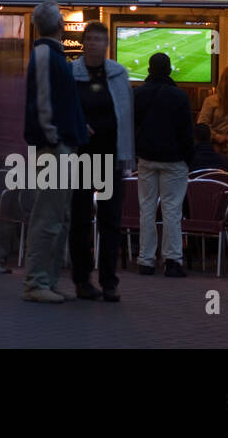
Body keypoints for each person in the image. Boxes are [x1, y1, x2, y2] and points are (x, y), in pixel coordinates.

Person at [21, 1, 89, 303]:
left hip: (60, 144)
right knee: (48, 217)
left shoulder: (49, 54)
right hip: (55, 147)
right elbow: (44, 101)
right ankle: (37, 282)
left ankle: (46, 280)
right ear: (60, 24)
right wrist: (53, 137)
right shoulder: (48, 54)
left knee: (58, 217)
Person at [68, 20, 133, 302]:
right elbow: (64, 108)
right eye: (90, 38)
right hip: (80, 157)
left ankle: (109, 281)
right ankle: (82, 280)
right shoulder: (70, 73)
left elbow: (125, 114)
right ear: (83, 42)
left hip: (110, 157)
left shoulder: (119, 75)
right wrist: (79, 125)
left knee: (110, 221)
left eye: (98, 39)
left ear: (106, 44)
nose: (93, 43)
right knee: (80, 220)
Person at [133, 52, 194, 278]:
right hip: (175, 159)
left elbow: (133, 127)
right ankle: (172, 260)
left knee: (146, 208)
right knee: (172, 210)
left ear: (149, 69)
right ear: (169, 70)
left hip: (147, 158)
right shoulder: (179, 96)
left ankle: (146, 260)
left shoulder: (138, 94)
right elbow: (186, 132)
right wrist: (189, 159)